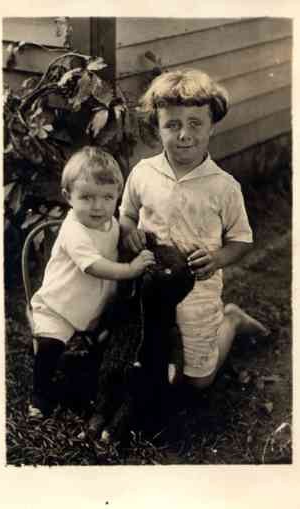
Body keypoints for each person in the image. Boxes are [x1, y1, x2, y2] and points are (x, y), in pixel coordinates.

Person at [119, 69, 269, 391]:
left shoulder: (223, 187)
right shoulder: (143, 173)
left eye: (195, 124)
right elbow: (127, 214)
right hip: (150, 283)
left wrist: (216, 258)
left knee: (198, 382)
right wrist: (128, 230)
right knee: (143, 359)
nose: (184, 134)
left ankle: (231, 320)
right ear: (157, 128)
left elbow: (241, 240)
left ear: (212, 126)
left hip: (198, 287)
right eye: (172, 124)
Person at [29, 146, 155, 417]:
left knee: (94, 356)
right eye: (86, 197)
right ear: (68, 197)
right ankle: (39, 398)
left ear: (117, 197)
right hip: (58, 307)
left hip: (90, 309)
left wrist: (132, 234)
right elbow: (96, 267)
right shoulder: (74, 229)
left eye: (107, 197)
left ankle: (85, 390)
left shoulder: (111, 222)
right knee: (50, 348)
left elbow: (122, 231)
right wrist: (131, 269)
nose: (97, 206)